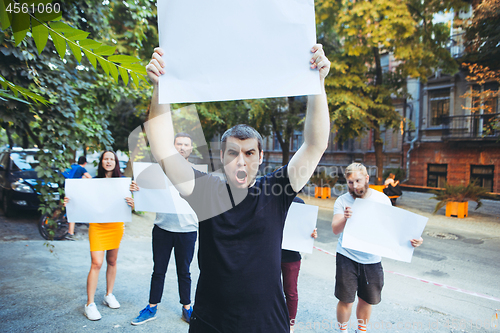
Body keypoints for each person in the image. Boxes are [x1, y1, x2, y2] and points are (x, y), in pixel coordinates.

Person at [144, 44, 331, 332]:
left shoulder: (277, 191)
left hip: (267, 323)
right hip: (211, 322)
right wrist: (160, 88)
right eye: (232, 153)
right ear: (221, 156)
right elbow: (162, 149)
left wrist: (317, 84)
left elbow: (315, 144)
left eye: (249, 153)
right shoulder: (205, 192)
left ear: (260, 157)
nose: (240, 161)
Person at [331, 163, 423, 333]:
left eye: (358, 181)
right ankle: (342, 330)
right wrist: (345, 218)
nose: (354, 186)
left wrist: (414, 239)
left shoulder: (382, 199)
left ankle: (361, 330)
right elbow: (335, 229)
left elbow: (392, 228)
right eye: (350, 182)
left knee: (367, 300)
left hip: (372, 259)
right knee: (346, 300)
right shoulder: (342, 200)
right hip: (346, 256)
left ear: (367, 178)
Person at [130, 132, 198, 326]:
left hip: (187, 231)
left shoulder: (197, 172)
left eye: (186, 144)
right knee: (158, 270)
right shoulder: (158, 171)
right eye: (179, 144)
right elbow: (146, 193)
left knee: (184, 272)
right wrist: (137, 188)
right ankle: (151, 308)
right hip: (162, 228)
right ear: (173, 146)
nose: (182, 147)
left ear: (191, 149)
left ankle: (187, 308)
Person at [64, 150, 134, 321]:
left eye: (112, 159)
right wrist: (68, 201)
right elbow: (80, 199)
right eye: (105, 158)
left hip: (116, 225)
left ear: (116, 162)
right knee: (96, 263)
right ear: (101, 162)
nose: (108, 161)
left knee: (112, 261)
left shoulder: (123, 182)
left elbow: (129, 205)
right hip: (97, 226)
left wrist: (133, 202)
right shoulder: (93, 182)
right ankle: (90, 304)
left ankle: (109, 294)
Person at [281, 196, 317, 332]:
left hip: (291, 255)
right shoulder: (271, 200)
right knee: (269, 290)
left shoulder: (298, 203)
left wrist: (311, 233)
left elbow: (305, 226)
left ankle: (290, 325)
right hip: (270, 253)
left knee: (290, 292)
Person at [64, 156, 92, 240]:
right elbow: (90, 178)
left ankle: (58, 218)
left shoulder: (73, 166)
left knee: (67, 207)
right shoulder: (82, 169)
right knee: (73, 210)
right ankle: (70, 233)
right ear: (85, 163)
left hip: (66, 188)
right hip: (74, 191)